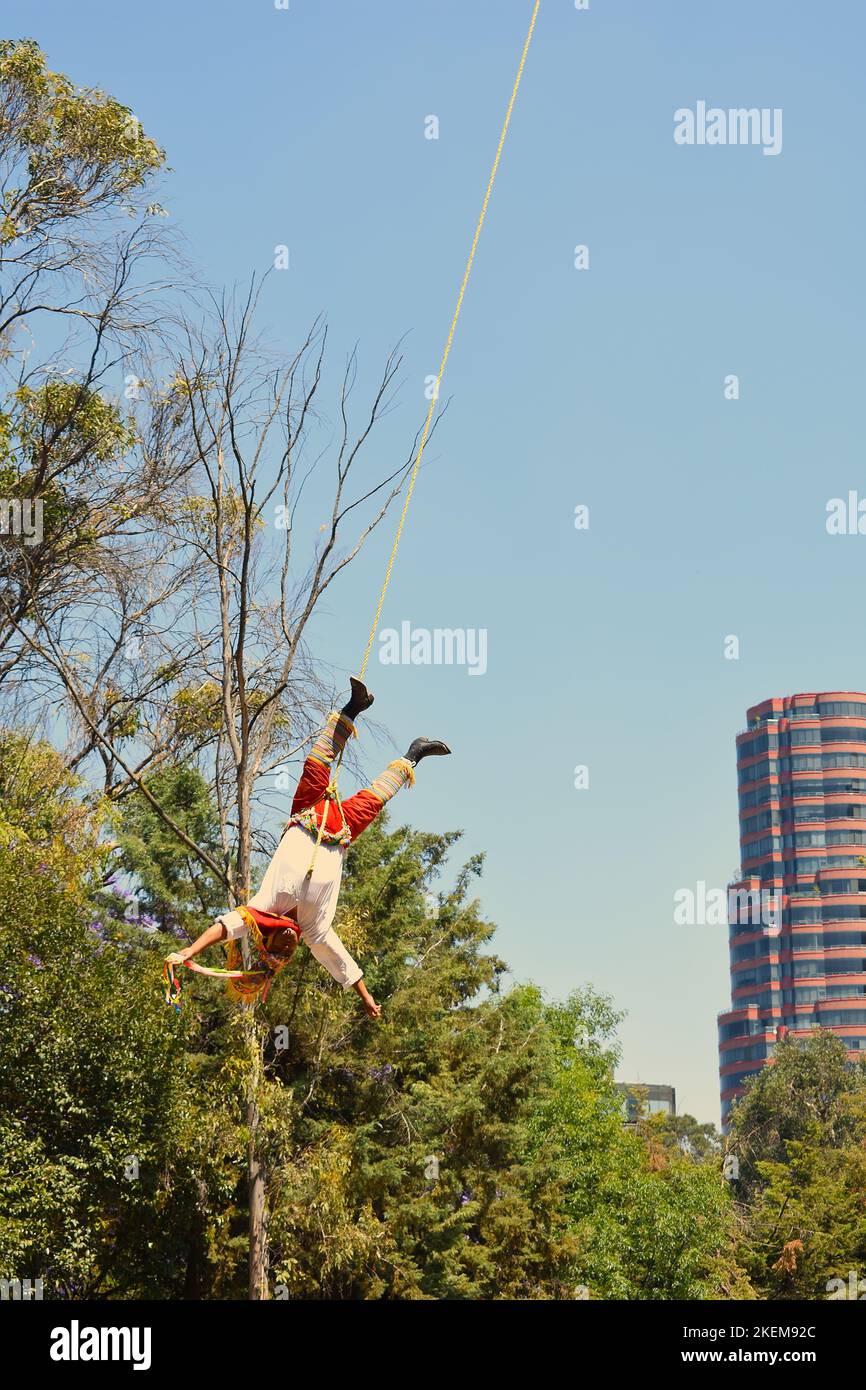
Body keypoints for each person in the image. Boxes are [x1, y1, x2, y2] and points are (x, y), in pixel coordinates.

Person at [165, 679, 449, 1015]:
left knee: (316, 764)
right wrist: (366, 997)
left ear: (265, 940)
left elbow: (225, 927)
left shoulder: (262, 910)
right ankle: (414, 754)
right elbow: (340, 962)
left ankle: (353, 708)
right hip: (342, 830)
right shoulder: (314, 929)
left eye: (278, 947)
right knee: (377, 797)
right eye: (288, 951)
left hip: (308, 814)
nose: (287, 946)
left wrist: (188, 953)